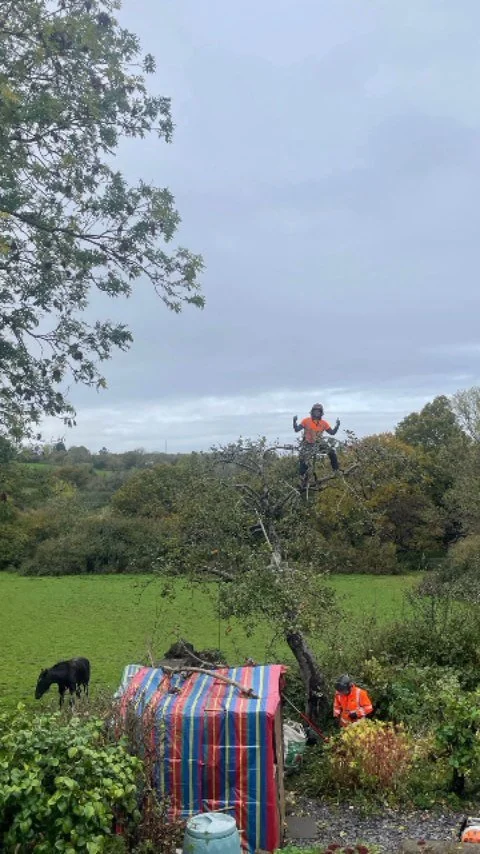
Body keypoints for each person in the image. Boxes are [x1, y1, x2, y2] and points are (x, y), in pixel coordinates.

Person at [293, 403, 341, 483]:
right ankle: (303, 479)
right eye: (315, 411)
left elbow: (332, 433)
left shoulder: (324, 423)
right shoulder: (306, 421)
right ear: (312, 412)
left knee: (332, 452)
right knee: (303, 459)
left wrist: (337, 426)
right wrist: (294, 422)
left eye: (318, 411)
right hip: (307, 444)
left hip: (319, 444)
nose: (316, 413)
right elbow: (297, 429)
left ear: (321, 413)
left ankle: (336, 470)